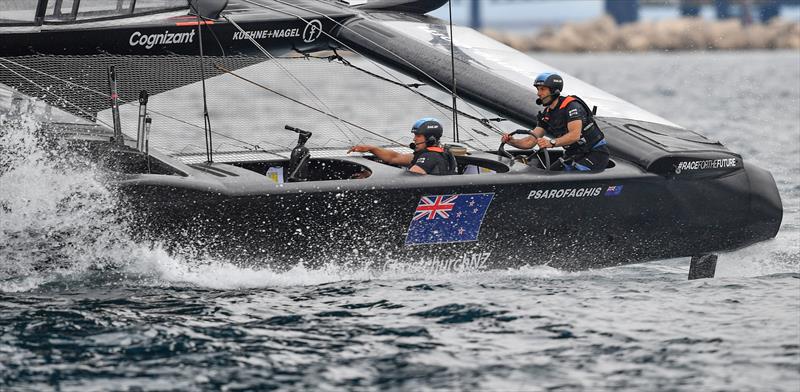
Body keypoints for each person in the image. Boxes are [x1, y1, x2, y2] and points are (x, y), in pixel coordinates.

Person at [501, 72, 609, 172]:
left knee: (566, 180)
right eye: (538, 89)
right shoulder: (547, 114)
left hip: (595, 153)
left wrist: (551, 143)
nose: (538, 93)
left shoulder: (572, 106)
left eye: (542, 89)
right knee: (547, 176)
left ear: (554, 91)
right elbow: (530, 141)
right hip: (573, 154)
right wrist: (512, 141)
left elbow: (575, 135)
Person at [348, 118, 456, 175]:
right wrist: (372, 148)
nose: (414, 139)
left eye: (418, 136)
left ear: (430, 139)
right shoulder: (439, 153)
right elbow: (395, 157)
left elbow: (407, 179)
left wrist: (370, 177)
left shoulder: (429, 157)